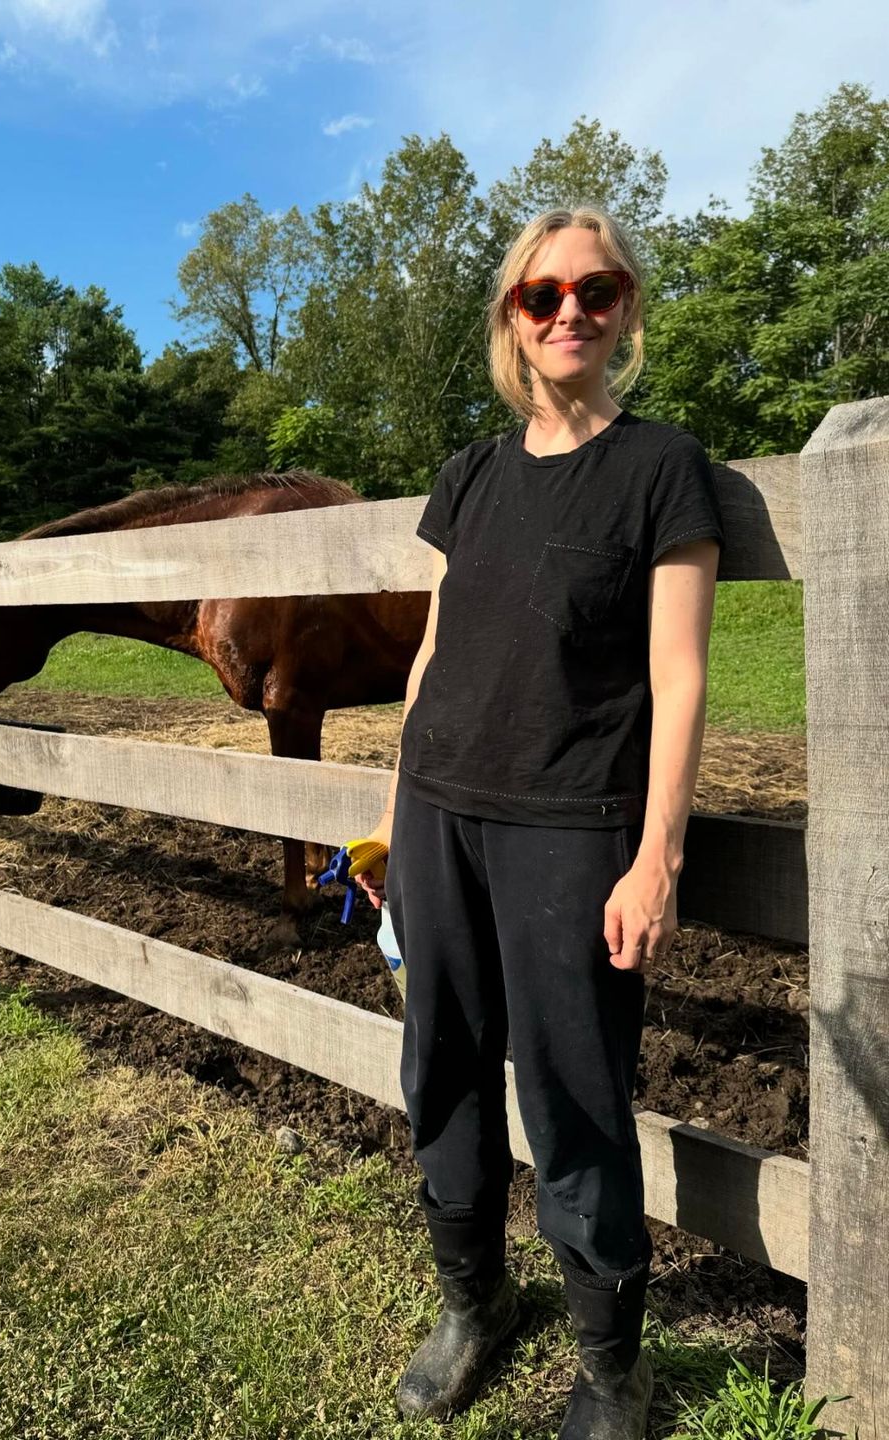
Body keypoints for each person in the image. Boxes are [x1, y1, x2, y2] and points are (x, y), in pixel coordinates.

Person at [355, 205, 725, 1438]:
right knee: (441, 1066)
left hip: (572, 824)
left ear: (625, 310)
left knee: (573, 1091)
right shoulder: (469, 474)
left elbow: (679, 678)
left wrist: (656, 855)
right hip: (439, 813)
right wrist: (397, 823)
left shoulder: (665, 467)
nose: (570, 310)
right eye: (542, 294)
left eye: (597, 290)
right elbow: (432, 655)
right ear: (514, 315)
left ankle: (611, 1369)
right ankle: (475, 1304)